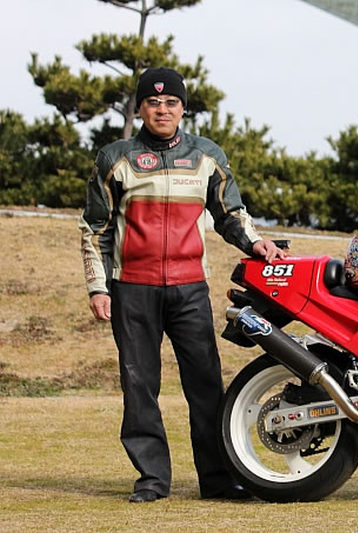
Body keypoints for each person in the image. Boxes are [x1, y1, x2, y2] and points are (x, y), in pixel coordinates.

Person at [78, 67, 286, 503]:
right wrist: (98, 287)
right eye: (153, 102)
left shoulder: (207, 155)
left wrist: (256, 242)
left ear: (182, 109)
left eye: (171, 102)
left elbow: (230, 214)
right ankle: (152, 479)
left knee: (206, 385)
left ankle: (218, 479)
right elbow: (95, 229)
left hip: (190, 288)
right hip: (132, 288)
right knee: (139, 386)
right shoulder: (115, 157)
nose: (162, 110)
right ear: (140, 108)